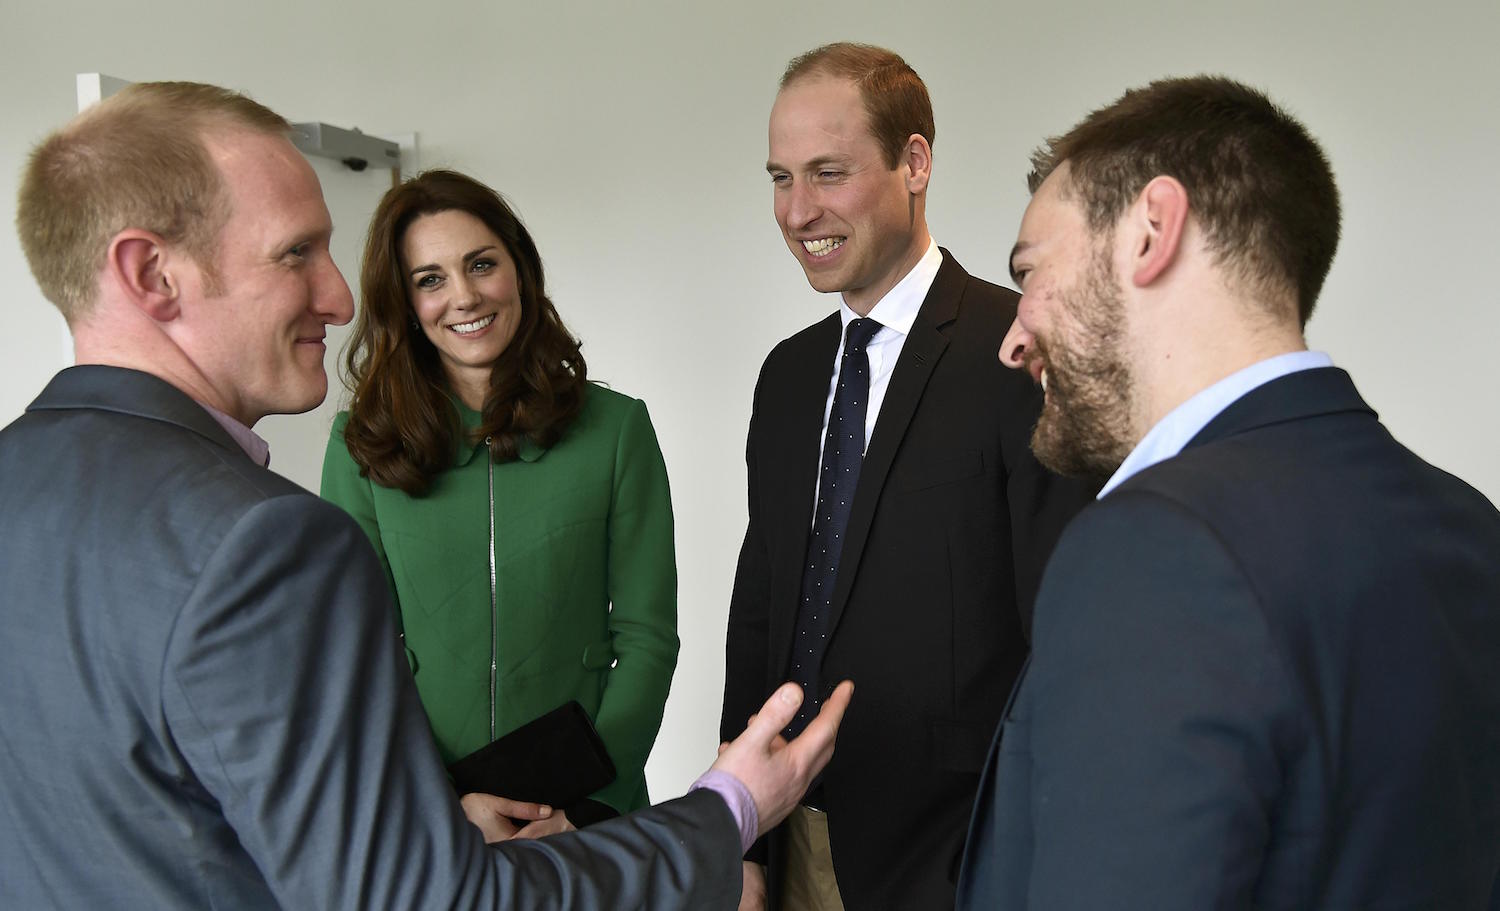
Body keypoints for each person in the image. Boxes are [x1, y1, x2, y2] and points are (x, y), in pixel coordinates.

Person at [0, 79, 853, 910]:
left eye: (480, 265)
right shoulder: (263, 537)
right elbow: (418, 888)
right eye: (295, 252)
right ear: (151, 274)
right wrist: (724, 815)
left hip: (564, 808)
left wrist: (576, 804)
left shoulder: (22, 480)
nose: (337, 297)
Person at [957, 75, 1500, 909]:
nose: (1012, 339)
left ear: (1152, 230)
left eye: (1029, 272)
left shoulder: (1150, 552)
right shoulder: (1468, 526)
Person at [722, 43, 1097, 909]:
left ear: (915, 163)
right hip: (788, 839)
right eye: (781, 178)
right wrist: (736, 831)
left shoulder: (1018, 352)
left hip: (956, 855)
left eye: (828, 172)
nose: (798, 210)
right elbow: (761, 608)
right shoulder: (787, 376)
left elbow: (1066, 632)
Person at [321, 169, 676, 837]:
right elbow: (353, 654)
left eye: (481, 264)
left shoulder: (617, 429)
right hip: (430, 817)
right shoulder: (358, 446)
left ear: (519, 269)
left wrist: (590, 806)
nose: (464, 296)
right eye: (430, 279)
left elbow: (647, 636)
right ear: (405, 301)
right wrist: (441, 805)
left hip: (590, 814)